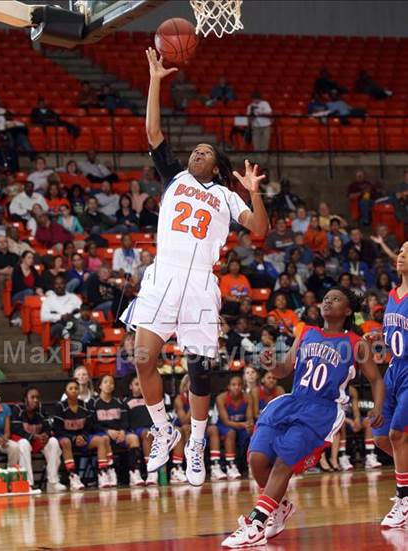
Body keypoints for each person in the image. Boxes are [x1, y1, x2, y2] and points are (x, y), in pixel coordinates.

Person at [119, 48, 268, 488]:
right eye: (195, 150)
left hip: (201, 283)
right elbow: (153, 131)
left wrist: (255, 190)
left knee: (199, 371)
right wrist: (154, 79)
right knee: (142, 357)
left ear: (218, 166)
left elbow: (258, 229)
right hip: (164, 274)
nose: (196, 154)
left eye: (205, 152)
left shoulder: (226, 196)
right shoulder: (175, 179)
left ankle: (198, 441)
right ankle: (164, 428)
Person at [223, 287, 385, 547]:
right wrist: (270, 365)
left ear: (347, 310)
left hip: (322, 410)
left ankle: (255, 523)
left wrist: (377, 407)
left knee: (283, 464)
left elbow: (376, 380)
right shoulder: (306, 333)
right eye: (327, 297)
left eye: (336, 299)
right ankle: (280, 505)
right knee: (257, 458)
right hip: (293, 400)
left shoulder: (356, 343)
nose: (328, 300)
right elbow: (284, 369)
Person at [367, 241, 408, 528]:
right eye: (401, 249)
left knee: (397, 435)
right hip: (393, 368)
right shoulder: (393, 295)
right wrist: (377, 338)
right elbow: (394, 333)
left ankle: (404, 498)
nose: (402, 254)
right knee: (381, 436)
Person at [53, 379, 111, 491]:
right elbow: (58, 429)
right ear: (65, 391)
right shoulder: (60, 407)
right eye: (71, 388)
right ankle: (73, 476)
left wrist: (83, 437)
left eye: (76, 388)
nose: (74, 391)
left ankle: (102, 474)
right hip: (67, 439)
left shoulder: (84, 406)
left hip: (82, 438)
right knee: (65, 441)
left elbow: (89, 427)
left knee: (101, 440)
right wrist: (74, 438)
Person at [91, 375, 144, 487]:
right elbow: (92, 424)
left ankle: (135, 472)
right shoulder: (93, 403)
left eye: (111, 383)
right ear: (100, 385)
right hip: (103, 433)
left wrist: (123, 431)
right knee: (104, 439)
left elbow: (125, 421)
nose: (108, 384)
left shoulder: (119, 402)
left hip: (119, 433)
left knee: (133, 438)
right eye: (105, 382)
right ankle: (107, 472)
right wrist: (107, 430)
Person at [11, 387, 66, 492]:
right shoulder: (17, 409)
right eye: (32, 397)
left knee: (53, 442)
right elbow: (16, 429)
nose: (35, 400)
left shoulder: (41, 410)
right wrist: (34, 436)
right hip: (21, 439)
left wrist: (46, 435)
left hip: (37, 440)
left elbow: (48, 427)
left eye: (37, 397)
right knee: (24, 444)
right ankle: (27, 484)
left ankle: (52, 482)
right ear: (25, 399)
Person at [215, 375, 254, 480]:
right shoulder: (221, 398)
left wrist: (249, 425)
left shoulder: (247, 397)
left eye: (239, 385)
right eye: (233, 385)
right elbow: (226, 421)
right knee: (231, 432)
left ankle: (251, 464)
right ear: (229, 386)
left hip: (241, 425)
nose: (236, 387)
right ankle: (230, 465)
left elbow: (249, 417)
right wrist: (244, 424)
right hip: (225, 426)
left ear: (242, 386)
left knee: (252, 432)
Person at [40, 274, 82, 339]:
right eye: (57, 284)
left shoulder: (74, 297)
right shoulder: (48, 300)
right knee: (59, 327)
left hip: (73, 323)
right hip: (57, 326)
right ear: (54, 285)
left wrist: (72, 316)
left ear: (65, 285)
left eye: (61, 283)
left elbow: (82, 311)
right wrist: (60, 317)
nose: (59, 286)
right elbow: (43, 317)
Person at [0, 382, 20, 466]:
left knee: (15, 447)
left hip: (1, 440)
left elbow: (7, 431)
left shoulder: (5, 408)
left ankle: (11, 474)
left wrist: (5, 439)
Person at [171, 375, 190, 484]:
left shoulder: (202, 397)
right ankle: (177, 468)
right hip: (177, 426)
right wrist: (194, 405)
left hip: (194, 426)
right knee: (183, 430)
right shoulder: (179, 399)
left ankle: (191, 466)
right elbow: (183, 420)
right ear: (185, 385)